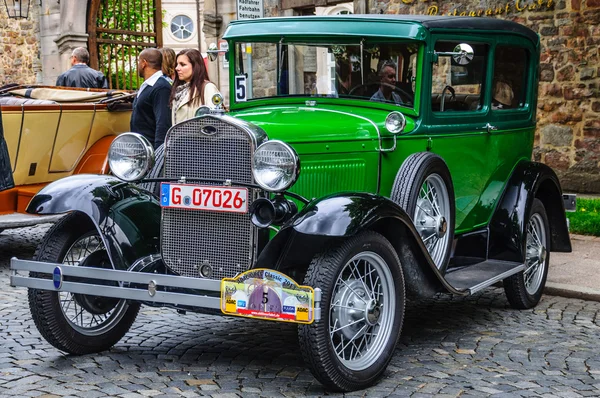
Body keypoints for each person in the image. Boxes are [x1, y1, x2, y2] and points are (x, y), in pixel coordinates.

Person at [130, 48, 172, 149]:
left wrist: (158, 157)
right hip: (142, 149)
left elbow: (163, 123)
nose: (137, 65)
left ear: (144, 63)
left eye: (138, 61)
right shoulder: (149, 85)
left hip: (152, 151)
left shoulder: (161, 87)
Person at [170, 48, 220, 125]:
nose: (177, 68)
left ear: (195, 66)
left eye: (183, 64)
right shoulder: (178, 90)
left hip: (198, 136)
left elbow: (214, 121)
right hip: (178, 136)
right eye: (177, 64)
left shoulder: (208, 88)